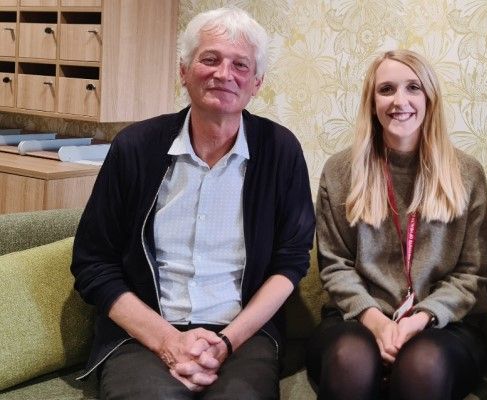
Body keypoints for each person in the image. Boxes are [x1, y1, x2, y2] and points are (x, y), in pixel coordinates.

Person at [70, 6, 315, 399]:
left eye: (240, 65)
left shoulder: (280, 150)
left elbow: (291, 260)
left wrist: (228, 341)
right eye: (210, 59)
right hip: (145, 331)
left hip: (241, 335)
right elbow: (92, 262)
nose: (224, 74)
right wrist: (168, 341)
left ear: (257, 82)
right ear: (183, 71)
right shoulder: (135, 147)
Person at [306, 49, 487, 400]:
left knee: (421, 364)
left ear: (430, 98)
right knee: (351, 360)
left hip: (443, 326)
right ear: (371, 100)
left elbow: (472, 273)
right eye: (386, 89)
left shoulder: (466, 174)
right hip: (356, 321)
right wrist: (376, 322)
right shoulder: (340, 171)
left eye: (413, 88)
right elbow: (334, 265)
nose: (399, 101)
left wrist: (418, 319)